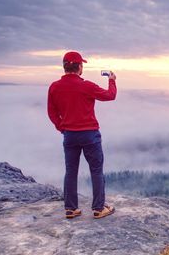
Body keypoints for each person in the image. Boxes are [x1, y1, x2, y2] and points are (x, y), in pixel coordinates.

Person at [47, 51, 117, 219]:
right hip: (89, 134)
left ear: (64, 67)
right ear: (79, 66)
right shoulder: (87, 86)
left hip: (69, 135)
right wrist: (112, 80)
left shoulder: (54, 87)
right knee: (96, 170)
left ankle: (71, 209)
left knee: (71, 171)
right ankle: (99, 209)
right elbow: (110, 95)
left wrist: (62, 128)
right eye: (82, 64)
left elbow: (52, 112)